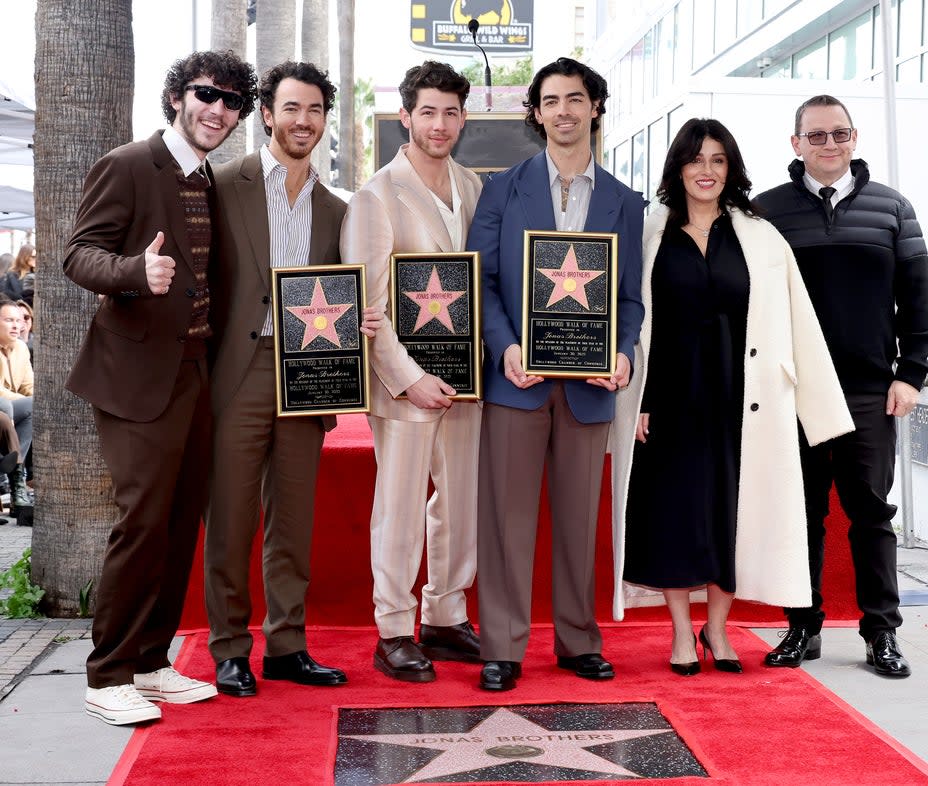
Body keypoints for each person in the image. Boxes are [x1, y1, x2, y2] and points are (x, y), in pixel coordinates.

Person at [610, 118, 853, 675]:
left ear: (731, 169)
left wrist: (815, 407)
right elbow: (631, 320)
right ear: (678, 167)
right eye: (696, 159)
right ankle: (679, 634)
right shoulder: (649, 233)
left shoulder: (760, 236)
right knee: (674, 515)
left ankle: (717, 630)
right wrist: (636, 401)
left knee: (731, 515)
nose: (706, 170)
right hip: (667, 399)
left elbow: (798, 321)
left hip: (743, 400)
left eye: (718, 160)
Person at [63, 49, 259, 725]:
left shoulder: (207, 179)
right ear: (178, 95)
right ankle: (106, 672)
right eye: (207, 94)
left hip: (194, 371)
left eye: (233, 101)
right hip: (133, 377)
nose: (218, 109)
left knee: (179, 524)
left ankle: (149, 662)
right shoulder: (128, 164)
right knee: (142, 522)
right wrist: (130, 272)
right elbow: (78, 252)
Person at [467, 57, 644, 692]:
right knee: (507, 519)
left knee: (578, 521)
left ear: (595, 107)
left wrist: (621, 352)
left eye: (576, 98)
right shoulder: (501, 189)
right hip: (516, 383)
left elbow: (629, 299)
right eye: (551, 100)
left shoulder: (626, 201)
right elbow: (482, 280)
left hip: (590, 391)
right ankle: (503, 647)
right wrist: (504, 345)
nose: (564, 110)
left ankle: (578, 641)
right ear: (536, 112)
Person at [204, 61, 379, 698]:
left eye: (315, 111)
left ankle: (287, 646)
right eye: (292, 108)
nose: (303, 121)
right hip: (240, 372)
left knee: (294, 520)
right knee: (229, 518)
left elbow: (348, 285)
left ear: (325, 120)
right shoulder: (224, 185)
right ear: (267, 113)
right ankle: (228, 648)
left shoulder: (338, 208)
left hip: (310, 375)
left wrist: (362, 314)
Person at [754, 95, 928, 678]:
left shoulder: (893, 208)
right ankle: (801, 628)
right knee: (799, 515)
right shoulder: (767, 213)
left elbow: (918, 297)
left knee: (872, 515)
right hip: (792, 389)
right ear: (796, 143)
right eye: (816, 136)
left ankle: (881, 632)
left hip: (867, 390)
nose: (829, 145)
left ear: (854, 139)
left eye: (840, 134)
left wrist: (910, 374)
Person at [340, 61, 483, 683]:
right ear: (405, 116)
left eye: (451, 112)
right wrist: (406, 376)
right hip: (404, 383)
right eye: (427, 111)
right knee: (399, 507)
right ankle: (394, 627)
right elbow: (367, 301)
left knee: (458, 502)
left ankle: (446, 617)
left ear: (463, 118)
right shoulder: (376, 195)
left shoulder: (475, 187)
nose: (440, 123)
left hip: (466, 379)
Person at [0, 300, 33, 512]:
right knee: (6, 411)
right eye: (9, 320)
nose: (16, 326)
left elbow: (29, 387)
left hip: (6, 409)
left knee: (35, 408)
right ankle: (17, 485)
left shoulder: (21, 348)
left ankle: (14, 473)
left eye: (19, 321)